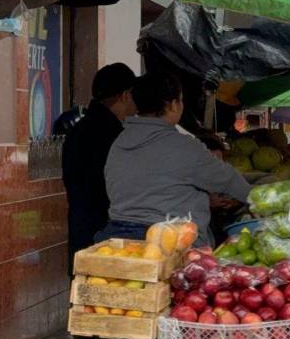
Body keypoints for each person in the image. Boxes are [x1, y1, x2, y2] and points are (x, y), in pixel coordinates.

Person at [101, 71, 250, 246]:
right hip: (172, 246)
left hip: (119, 242)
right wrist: (258, 199)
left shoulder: (118, 144)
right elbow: (228, 180)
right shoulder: (185, 146)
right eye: (180, 100)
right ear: (173, 105)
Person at [62, 63, 137, 273]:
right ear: (125, 95)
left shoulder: (78, 131)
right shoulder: (115, 136)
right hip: (105, 236)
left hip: (81, 232)